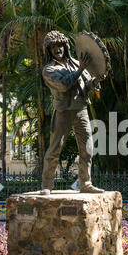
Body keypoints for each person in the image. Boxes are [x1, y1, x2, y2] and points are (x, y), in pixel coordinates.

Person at [40, 30, 104, 195]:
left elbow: (88, 85)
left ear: (65, 46)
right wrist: (81, 69)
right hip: (63, 111)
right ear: (49, 50)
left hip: (81, 110)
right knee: (55, 149)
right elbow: (64, 85)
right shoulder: (49, 69)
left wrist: (96, 80)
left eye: (60, 45)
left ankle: (86, 183)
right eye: (53, 47)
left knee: (87, 149)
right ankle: (47, 185)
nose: (58, 49)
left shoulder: (76, 63)